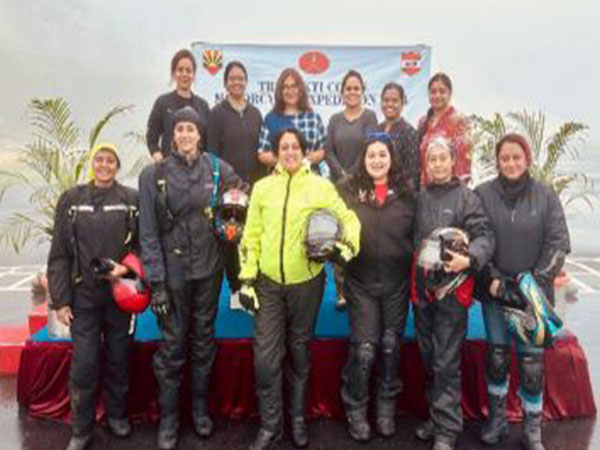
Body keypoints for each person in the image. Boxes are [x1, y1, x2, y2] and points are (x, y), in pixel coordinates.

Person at [239, 128, 361, 450]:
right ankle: (270, 426)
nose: (290, 151)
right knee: (266, 359)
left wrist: (346, 248)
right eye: (284, 147)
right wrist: (247, 279)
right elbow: (250, 236)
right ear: (277, 152)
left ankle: (296, 420)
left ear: (304, 152)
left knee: (299, 351)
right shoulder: (262, 188)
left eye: (295, 146)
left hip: (307, 284)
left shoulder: (321, 186)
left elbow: (348, 219)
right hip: (267, 285)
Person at [139, 107, 243, 450]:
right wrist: (156, 283)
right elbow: (149, 234)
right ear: (172, 136)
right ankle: (169, 420)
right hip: (173, 275)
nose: (185, 134)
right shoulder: (154, 175)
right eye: (179, 129)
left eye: (191, 129)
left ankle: (199, 411)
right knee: (172, 346)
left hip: (209, 271)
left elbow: (243, 199)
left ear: (200, 135)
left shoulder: (217, 168)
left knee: (203, 341)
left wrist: (234, 216)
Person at [476, 133, 570, 450]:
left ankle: (532, 429)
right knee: (497, 358)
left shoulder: (545, 195)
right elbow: (477, 239)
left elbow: (557, 244)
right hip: (495, 291)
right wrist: (491, 277)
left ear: (527, 159)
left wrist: (532, 282)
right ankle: (498, 421)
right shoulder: (482, 194)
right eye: (505, 158)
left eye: (517, 157)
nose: (511, 163)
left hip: (533, 295)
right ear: (497, 160)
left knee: (531, 364)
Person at [47, 143, 139, 450]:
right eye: (99, 159)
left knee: (118, 360)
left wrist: (124, 271)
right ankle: (82, 429)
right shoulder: (72, 200)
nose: (104, 165)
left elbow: (143, 247)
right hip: (83, 299)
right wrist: (60, 301)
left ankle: (118, 417)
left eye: (110, 160)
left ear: (117, 166)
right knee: (85, 364)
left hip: (120, 298)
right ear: (92, 164)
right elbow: (59, 254)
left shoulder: (131, 200)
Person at [413, 138, 494, 450]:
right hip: (423, 291)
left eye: (442, 158)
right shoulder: (419, 198)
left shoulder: (467, 198)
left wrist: (469, 258)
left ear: (453, 162)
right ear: (426, 164)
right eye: (431, 159)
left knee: (446, 361)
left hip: (453, 292)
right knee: (429, 355)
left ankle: (447, 429)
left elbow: (485, 235)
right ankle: (436, 418)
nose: (437, 164)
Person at [336, 134, 415, 442]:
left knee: (391, 345)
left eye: (383, 155)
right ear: (364, 160)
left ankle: (386, 406)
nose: (377, 160)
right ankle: (356, 407)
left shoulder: (409, 195)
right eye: (371, 156)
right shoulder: (349, 192)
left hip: (396, 283)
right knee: (365, 350)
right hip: (361, 283)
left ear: (391, 158)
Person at [207, 61, 264, 301]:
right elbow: (211, 153)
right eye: (232, 78)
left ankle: (253, 285)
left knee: (253, 236)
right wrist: (224, 183)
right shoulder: (216, 113)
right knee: (231, 238)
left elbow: (262, 151)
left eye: (241, 78)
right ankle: (234, 288)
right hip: (229, 189)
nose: (236, 82)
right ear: (225, 83)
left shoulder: (255, 114)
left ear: (246, 82)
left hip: (254, 187)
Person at [257, 68, 329, 177]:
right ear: (280, 91)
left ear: (301, 89)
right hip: (279, 180)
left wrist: (305, 160)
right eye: (285, 87)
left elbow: (324, 149)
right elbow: (262, 153)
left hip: (310, 180)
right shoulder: (270, 119)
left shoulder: (313, 118)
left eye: (294, 86)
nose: (290, 91)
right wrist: (285, 160)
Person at [146, 49, 210, 162]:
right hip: (170, 171)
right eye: (180, 70)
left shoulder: (203, 106)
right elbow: (151, 139)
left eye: (188, 70)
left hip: (198, 173)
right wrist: (159, 158)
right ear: (173, 73)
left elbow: (207, 143)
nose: (184, 74)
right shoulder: (162, 102)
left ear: (194, 75)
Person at [417, 73, 472, 187]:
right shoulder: (423, 122)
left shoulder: (459, 121)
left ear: (450, 94)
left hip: (450, 190)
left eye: (442, 91)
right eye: (433, 92)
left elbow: (463, 161)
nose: (437, 95)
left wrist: (457, 192)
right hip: (426, 189)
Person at [325, 70, 377, 181]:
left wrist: (351, 175)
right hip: (337, 182)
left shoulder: (370, 117)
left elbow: (369, 149)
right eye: (348, 89)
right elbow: (328, 151)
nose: (352, 92)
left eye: (356, 88)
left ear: (362, 91)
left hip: (362, 182)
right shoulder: (334, 119)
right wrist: (341, 174)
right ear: (342, 92)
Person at [377, 82, 420, 190]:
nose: (389, 104)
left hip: (400, 196)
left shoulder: (409, 132)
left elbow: (413, 173)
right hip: (377, 191)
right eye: (386, 100)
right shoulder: (376, 129)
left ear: (402, 103)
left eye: (394, 101)